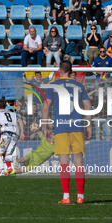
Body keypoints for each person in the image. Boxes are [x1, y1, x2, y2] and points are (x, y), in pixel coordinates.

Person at [42, 60, 92, 204]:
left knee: (64, 163)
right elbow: (88, 106)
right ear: (71, 71)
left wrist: (45, 128)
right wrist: (88, 126)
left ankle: (66, 197)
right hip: (77, 127)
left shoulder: (53, 86)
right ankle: (80, 197)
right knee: (79, 162)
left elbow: (46, 108)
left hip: (61, 128)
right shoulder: (79, 85)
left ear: (59, 70)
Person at [0, 99, 19, 176]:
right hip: (14, 135)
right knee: (7, 155)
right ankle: (13, 160)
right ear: (6, 106)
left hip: (5, 134)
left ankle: (2, 171)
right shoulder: (13, 114)